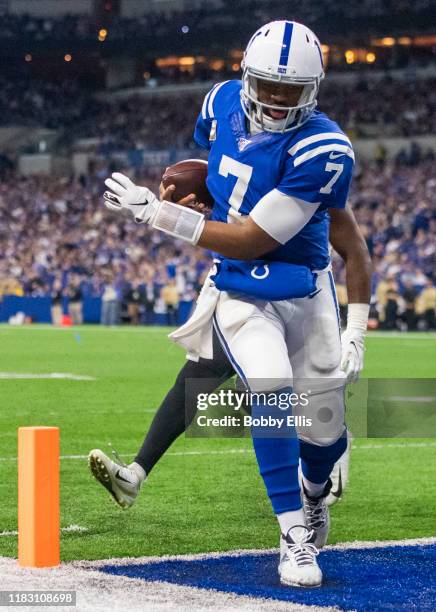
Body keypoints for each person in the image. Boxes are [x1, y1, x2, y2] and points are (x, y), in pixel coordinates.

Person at [90, 20, 371, 587]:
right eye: (266, 84)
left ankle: (316, 493)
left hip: (304, 289)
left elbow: (255, 236)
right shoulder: (219, 103)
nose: (274, 99)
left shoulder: (323, 149)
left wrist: (157, 213)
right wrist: (194, 193)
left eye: (289, 89)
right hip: (240, 288)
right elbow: (224, 180)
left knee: (323, 433)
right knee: (266, 383)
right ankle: (294, 537)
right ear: (245, 76)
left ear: (312, 91)